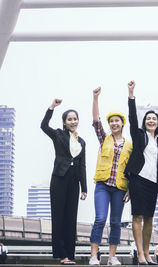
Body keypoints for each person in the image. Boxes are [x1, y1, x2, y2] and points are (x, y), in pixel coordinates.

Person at [124, 80, 158, 265]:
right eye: (148, 118)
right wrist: (131, 95)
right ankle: (140, 253)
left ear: (157, 123)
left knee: (149, 217)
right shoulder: (139, 135)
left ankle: (148, 254)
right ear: (145, 122)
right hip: (138, 179)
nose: (151, 121)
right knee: (137, 216)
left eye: (154, 119)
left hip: (153, 182)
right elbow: (132, 118)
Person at [41, 99, 87, 265]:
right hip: (59, 179)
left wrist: (84, 188)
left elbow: (82, 165)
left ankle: (70, 254)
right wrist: (51, 107)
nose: (73, 121)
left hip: (74, 182)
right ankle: (62, 255)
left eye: (75, 119)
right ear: (65, 122)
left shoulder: (82, 142)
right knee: (59, 217)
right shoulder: (58, 135)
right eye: (69, 119)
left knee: (70, 218)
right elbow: (44, 126)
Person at [89, 87, 132, 266]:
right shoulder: (104, 138)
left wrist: (130, 188)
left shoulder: (130, 146)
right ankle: (94, 256)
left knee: (115, 222)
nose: (114, 124)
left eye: (117, 121)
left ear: (122, 124)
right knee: (100, 219)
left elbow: (131, 169)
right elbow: (95, 120)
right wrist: (95, 98)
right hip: (103, 185)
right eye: (112, 121)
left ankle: (112, 257)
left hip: (119, 188)